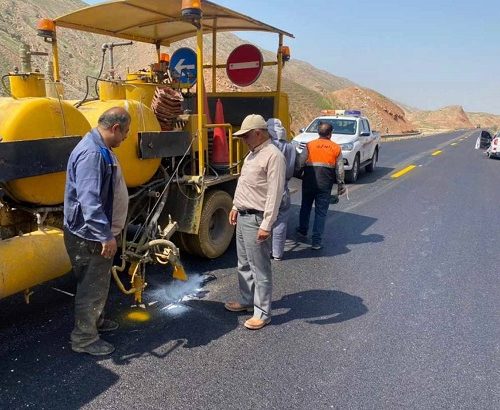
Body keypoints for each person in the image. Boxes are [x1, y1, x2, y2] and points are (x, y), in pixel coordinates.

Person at [63, 107, 131, 356]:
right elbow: (89, 201)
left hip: (94, 233)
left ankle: (97, 321)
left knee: (98, 284)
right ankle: (84, 338)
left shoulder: (101, 148)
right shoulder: (92, 153)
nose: (125, 139)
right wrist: (105, 235)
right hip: (90, 236)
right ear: (115, 128)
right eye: (125, 133)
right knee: (91, 287)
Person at [225, 114, 286, 330]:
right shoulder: (252, 155)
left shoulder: (273, 156)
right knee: (243, 263)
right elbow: (245, 184)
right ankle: (246, 300)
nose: (243, 140)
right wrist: (234, 206)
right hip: (243, 215)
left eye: (246, 136)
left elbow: (275, 194)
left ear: (258, 133)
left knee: (259, 267)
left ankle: (263, 313)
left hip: (257, 218)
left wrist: (266, 225)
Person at [296, 121, 345, 250]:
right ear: (330, 134)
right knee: (321, 212)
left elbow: (300, 162)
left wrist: (297, 173)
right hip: (325, 184)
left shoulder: (310, 145)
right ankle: (316, 242)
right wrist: (341, 184)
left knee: (305, 207)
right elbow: (339, 169)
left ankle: (302, 230)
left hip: (308, 181)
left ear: (319, 132)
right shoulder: (336, 148)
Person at [267, 118, 296, 261]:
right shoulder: (290, 147)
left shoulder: (267, 146)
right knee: (281, 220)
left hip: (266, 188)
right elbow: (291, 169)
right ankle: (277, 253)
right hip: (283, 188)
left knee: (265, 220)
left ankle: (265, 252)